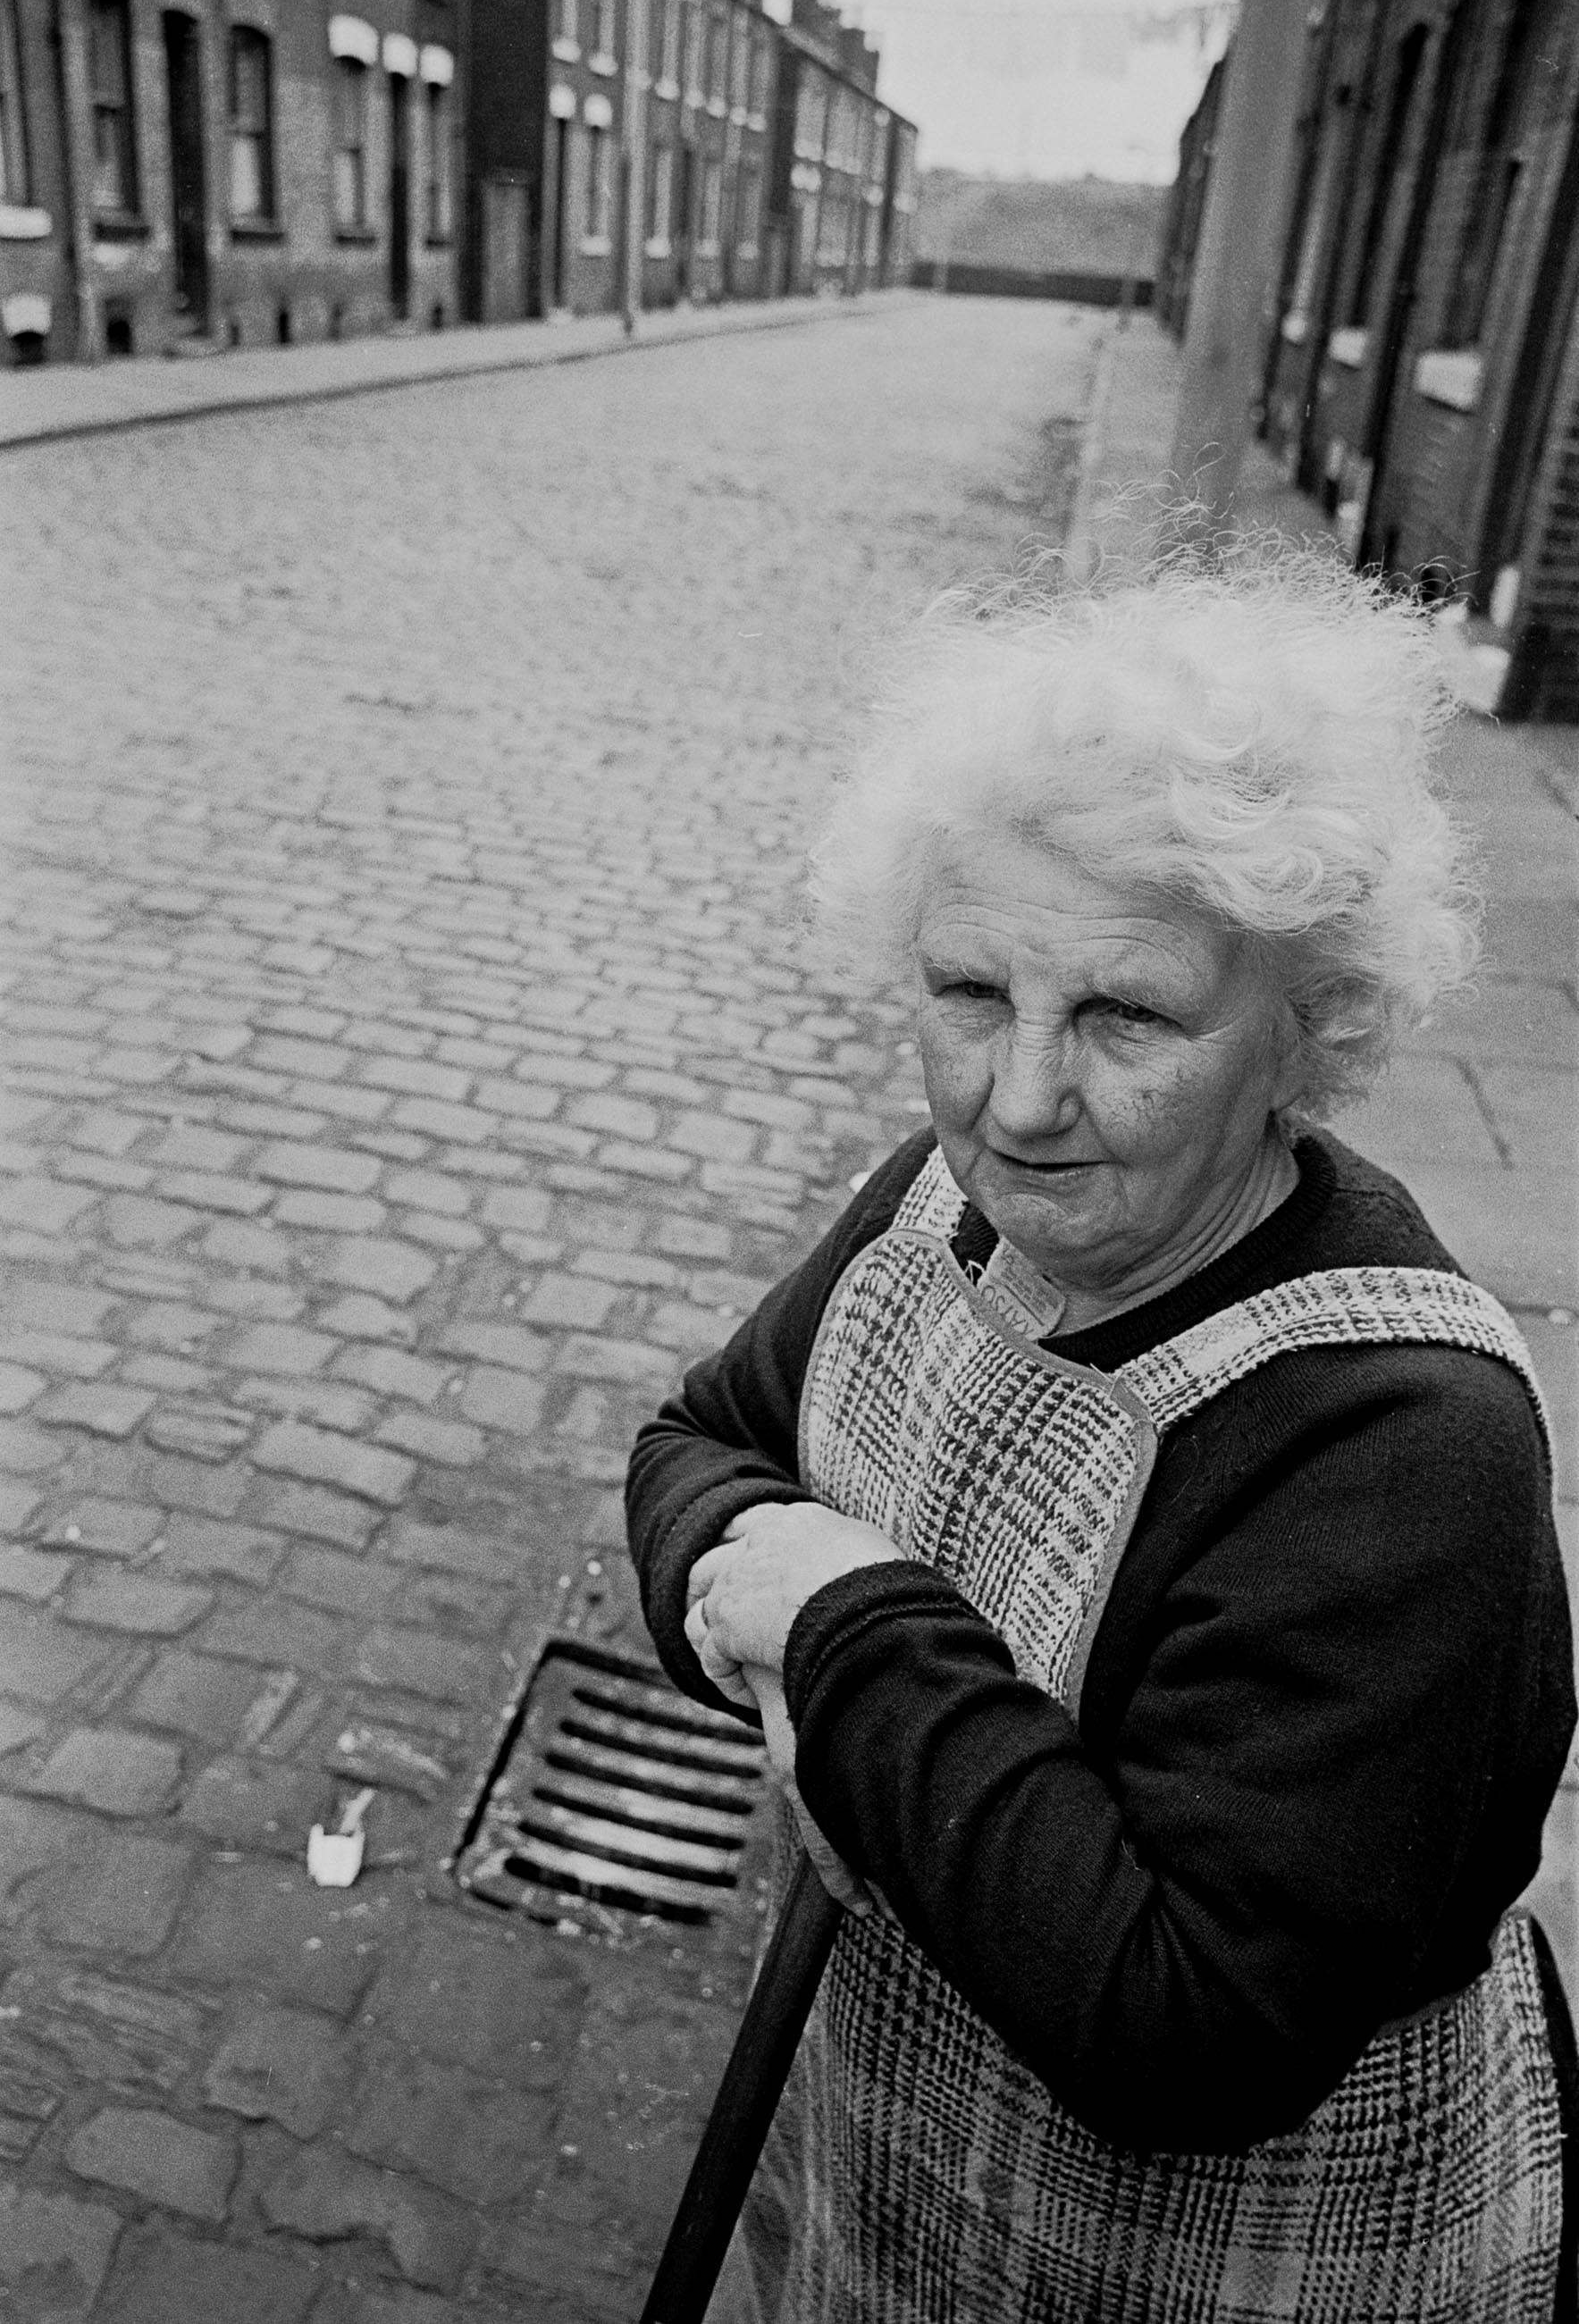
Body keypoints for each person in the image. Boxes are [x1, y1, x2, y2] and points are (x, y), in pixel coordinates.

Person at [626, 552, 1576, 2322]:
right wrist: (741, 1608)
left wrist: (840, 1644)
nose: (1019, 1100)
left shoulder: (1396, 1445)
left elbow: (1184, 2029)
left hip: (1228, 2262)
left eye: (1127, 1016)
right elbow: (700, 1444)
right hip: (898, 2149)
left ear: (1297, 1027)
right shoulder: (934, 1207)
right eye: (969, 994)